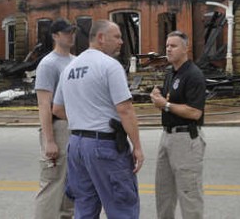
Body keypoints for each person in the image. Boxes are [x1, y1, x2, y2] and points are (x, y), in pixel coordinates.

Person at [52, 20, 144, 219]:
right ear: (101, 38)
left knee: (84, 207)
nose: (121, 42)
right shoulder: (110, 66)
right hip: (104, 146)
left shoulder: (70, 68)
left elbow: (57, 108)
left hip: (76, 146)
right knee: (122, 207)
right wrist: (137, 146)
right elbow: (125, 109)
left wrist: (83, 117)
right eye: (117, 37)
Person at [150, 30, 206, 219]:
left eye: (173, 46)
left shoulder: (194, 75)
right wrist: (159, 99)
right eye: (167, 46)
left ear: (185, 48)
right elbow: (168, 102)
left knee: (189, 194)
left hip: (185, 138)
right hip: (166, 136)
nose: (168, 49)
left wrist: (164, 104)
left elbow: (195, 112)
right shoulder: (170, 73)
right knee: (163, 192)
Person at [34, 18, 76, 219]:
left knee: (71, 185)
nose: (71, 35)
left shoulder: (75, 61)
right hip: (57, 128)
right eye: (67, 32)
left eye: (72, 32)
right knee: (52, 185)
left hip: (74, 129)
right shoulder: (48, 64)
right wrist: (49, 141)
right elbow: (44, 104)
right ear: (55, 36)